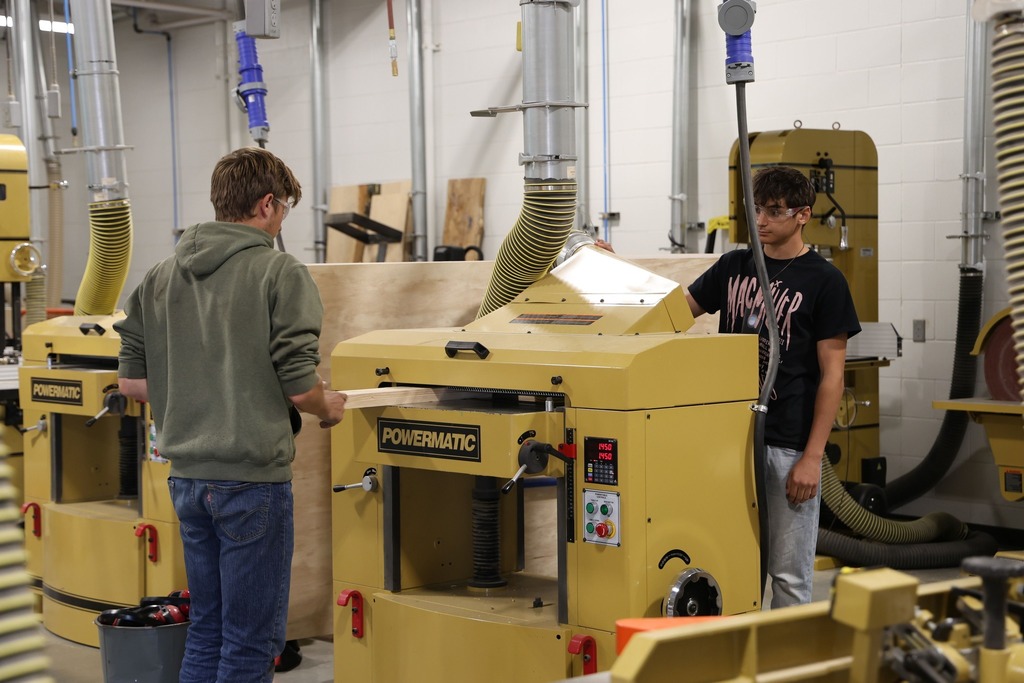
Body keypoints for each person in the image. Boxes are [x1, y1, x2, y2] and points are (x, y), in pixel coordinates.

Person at [115, 146, 348, 681]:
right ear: (266, 204)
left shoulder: (159, 276)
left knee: (207, 631)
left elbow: (131, 382)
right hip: (251, 483)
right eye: (284, 207)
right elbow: (299, 384)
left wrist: (196, 395)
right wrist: (328, 405)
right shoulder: (278, 271)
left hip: (187, 480)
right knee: (249, 642)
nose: (282, 218)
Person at [685, 166, 860, 608]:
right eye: (757, 209)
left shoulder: (824, 280)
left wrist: (812, 458)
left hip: (786, 445)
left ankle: (787, 653)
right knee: (728, 563)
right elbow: (674, 312)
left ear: (803, 215)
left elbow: (833, 377)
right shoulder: (733, 266)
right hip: (730, 441)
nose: (761, 220)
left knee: (788, 575)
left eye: (775, 211)